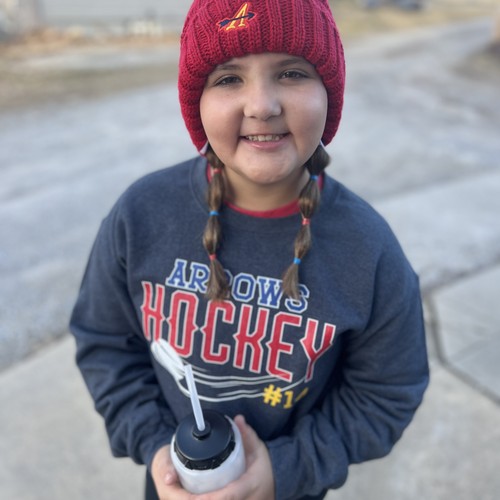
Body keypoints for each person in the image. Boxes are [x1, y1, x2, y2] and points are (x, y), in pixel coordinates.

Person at [70, 1, 429, 499]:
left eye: (291, 73)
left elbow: (386, 394)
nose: (261, 105)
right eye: (228, 79)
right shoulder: (141, 215)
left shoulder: (368, 249)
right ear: (196, 103)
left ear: (330, 92)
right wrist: (155, 447)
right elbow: (106, 346)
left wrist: (286, 468)